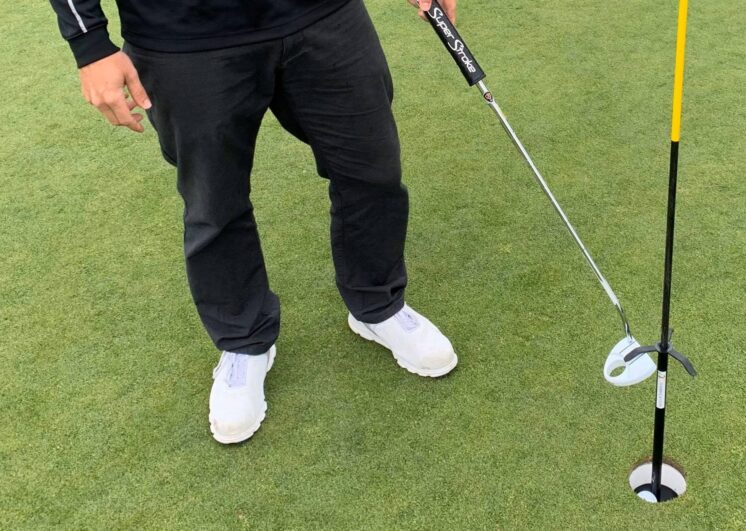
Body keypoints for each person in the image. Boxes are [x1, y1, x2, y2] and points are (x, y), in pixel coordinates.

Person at [48, 0, 460, 444]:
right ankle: (243, 341)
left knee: (371, 169)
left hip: (325, 14)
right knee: (214, 203)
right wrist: (89, 43)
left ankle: (377, 304)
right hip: (183, 37)